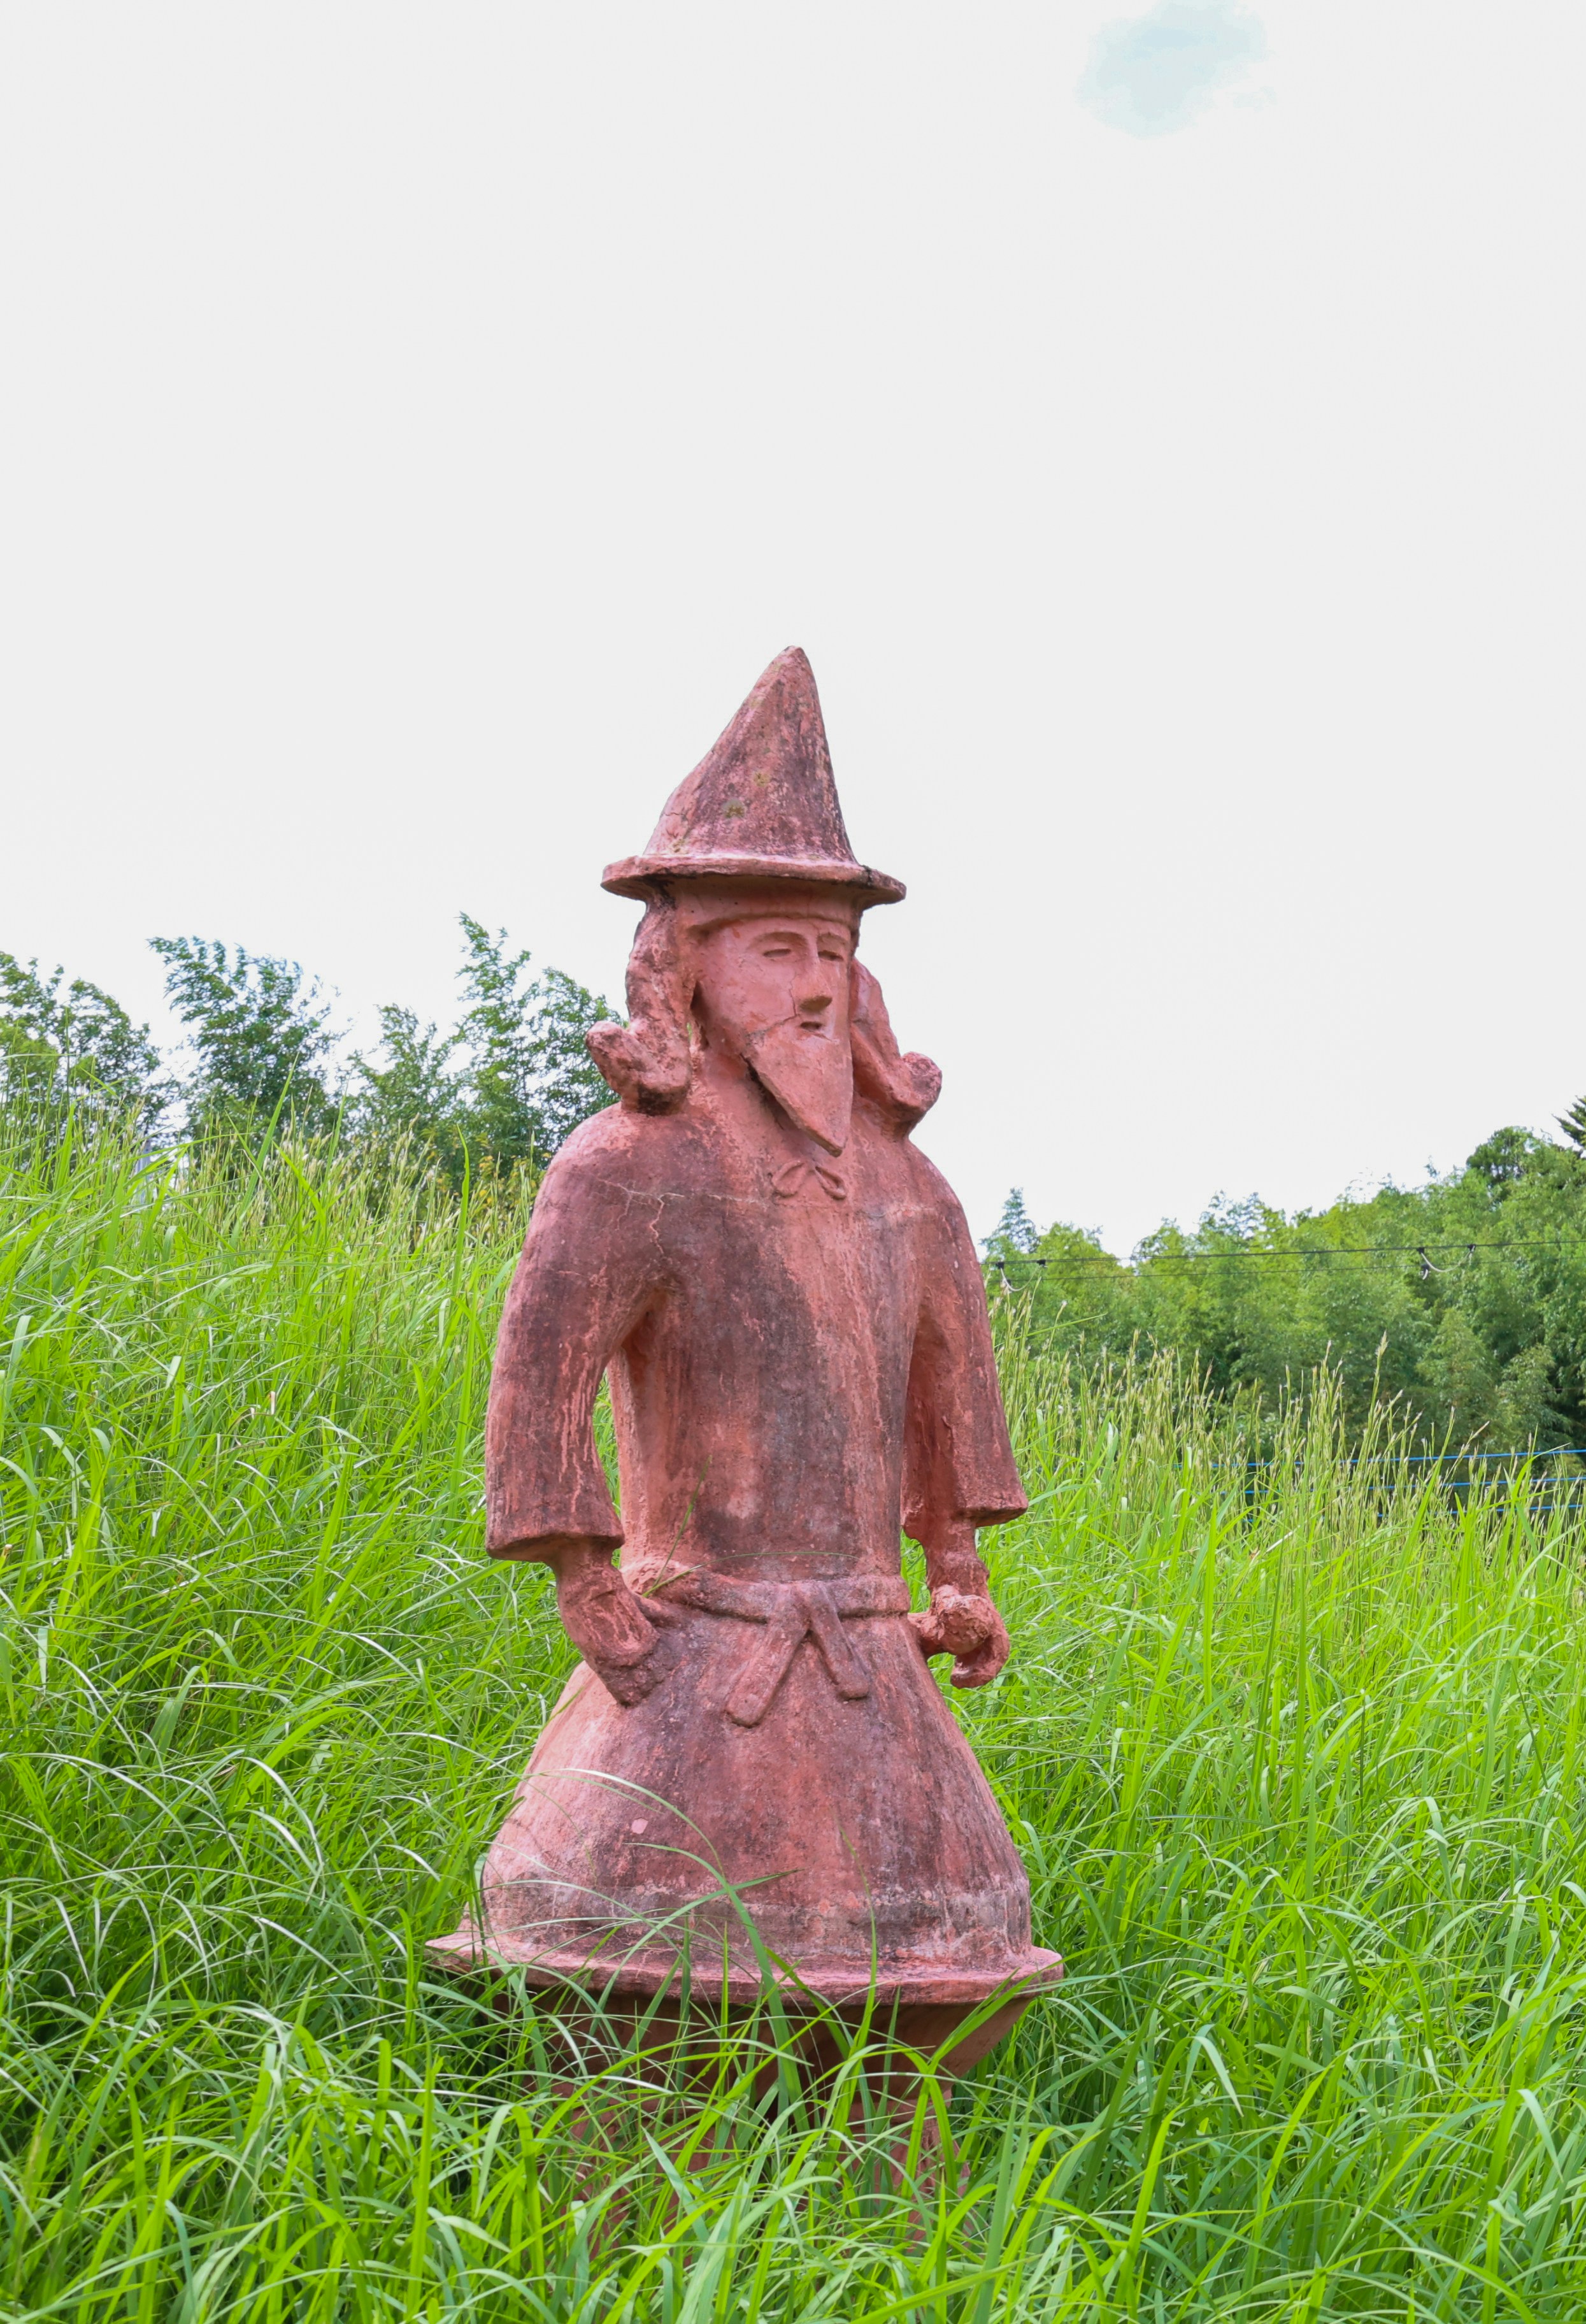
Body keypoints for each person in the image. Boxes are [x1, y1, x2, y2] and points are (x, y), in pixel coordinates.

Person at [430, 649, 1055, 2170]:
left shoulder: (913, 1196)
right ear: (682, 963)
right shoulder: (627, 1170)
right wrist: (586, 1575)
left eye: (835, 948)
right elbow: (539, 1383)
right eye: (777, 947)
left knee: (925, 2002)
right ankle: (637, 2236)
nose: (818, 981)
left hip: (870, 1673)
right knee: (634, 2010)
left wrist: (958, 1570)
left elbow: (950, 1403)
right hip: (691, 1668)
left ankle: (885, 2245)